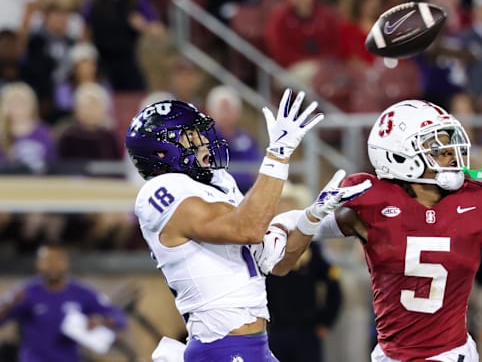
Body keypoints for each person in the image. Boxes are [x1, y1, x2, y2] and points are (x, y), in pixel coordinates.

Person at [306, 99, 482, 361]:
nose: (452, 155)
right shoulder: (373, 207)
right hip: (390, 354)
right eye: (438, 148)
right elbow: (302, 233)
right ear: (398, 157)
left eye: (450, 144)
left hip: (449, 353)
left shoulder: (474, 206)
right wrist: (308, 217)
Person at [125, 89, 370, 361]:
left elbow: (278, 264)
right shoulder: (161, 191)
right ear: (161, 151)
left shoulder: (218, 183)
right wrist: (277, 155)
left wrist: (310, 218)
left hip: (255, 345)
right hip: (222, 347)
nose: (205, 140)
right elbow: (247, 228)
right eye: (191, 136)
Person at [0, 242, 127, 362]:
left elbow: (119, 317)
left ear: (66, 263)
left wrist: (102, 321)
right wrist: (9, 305)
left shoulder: (81, 293)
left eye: (58, 260)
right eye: (47, 260)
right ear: (38, 264)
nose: (53, 265)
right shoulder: (26, 292)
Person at [266, 182, 343, 362]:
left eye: (288, 204)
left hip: (306, 330)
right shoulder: (263, 247)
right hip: (274, 329)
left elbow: (333, 286)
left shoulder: (313, 248)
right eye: (280, 204)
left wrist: (325, 322)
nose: (283, 209)